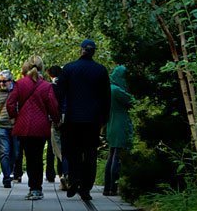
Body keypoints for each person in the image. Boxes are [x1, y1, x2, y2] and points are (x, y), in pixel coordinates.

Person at [55, 38, 110, 202]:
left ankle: (74, 179)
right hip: (93, 120)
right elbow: (106, 97)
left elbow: (59, 93)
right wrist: (104, 118)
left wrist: (58, 114)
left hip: (73, 119)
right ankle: (86, 188)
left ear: (81, 50)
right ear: (94, 51)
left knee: (73, 152)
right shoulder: (100, 70)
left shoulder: (70, 69)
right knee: (90, 153)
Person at [5, 55, 60, 200]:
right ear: (42, 68)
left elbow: (10, 103)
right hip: (41, 126)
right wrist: (56, 119)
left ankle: (32, 187)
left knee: (28, 157)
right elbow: (53, 106)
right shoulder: (47, 86)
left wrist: (15, 117)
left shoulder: (20, 84)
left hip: (23, 126)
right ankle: (37, 188)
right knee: (37, 156)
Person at [103, 64, 133, 196]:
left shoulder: (108, 89)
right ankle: (113, 186)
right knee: (117, 156)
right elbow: (132, 101)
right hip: (120, 124)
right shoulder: (117, 91)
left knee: (112, 155)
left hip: (111, 124)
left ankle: (107, 187)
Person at [0, 69, 21, 188]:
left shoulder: (18, 91)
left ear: (11, 80)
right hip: (1, 126)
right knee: (4, 152)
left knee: (16, 152)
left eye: (5, 81)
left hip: (16, 126)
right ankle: (6, 177)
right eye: (0, 81)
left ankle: (11, 170)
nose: (2, 83)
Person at [45, 63, 65, 188]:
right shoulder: (66, 85)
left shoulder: (50, 87)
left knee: (53, 148)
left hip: (52, 120)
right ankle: (62, 172)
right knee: (63, 147)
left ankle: (50, 174)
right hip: (65, 119)